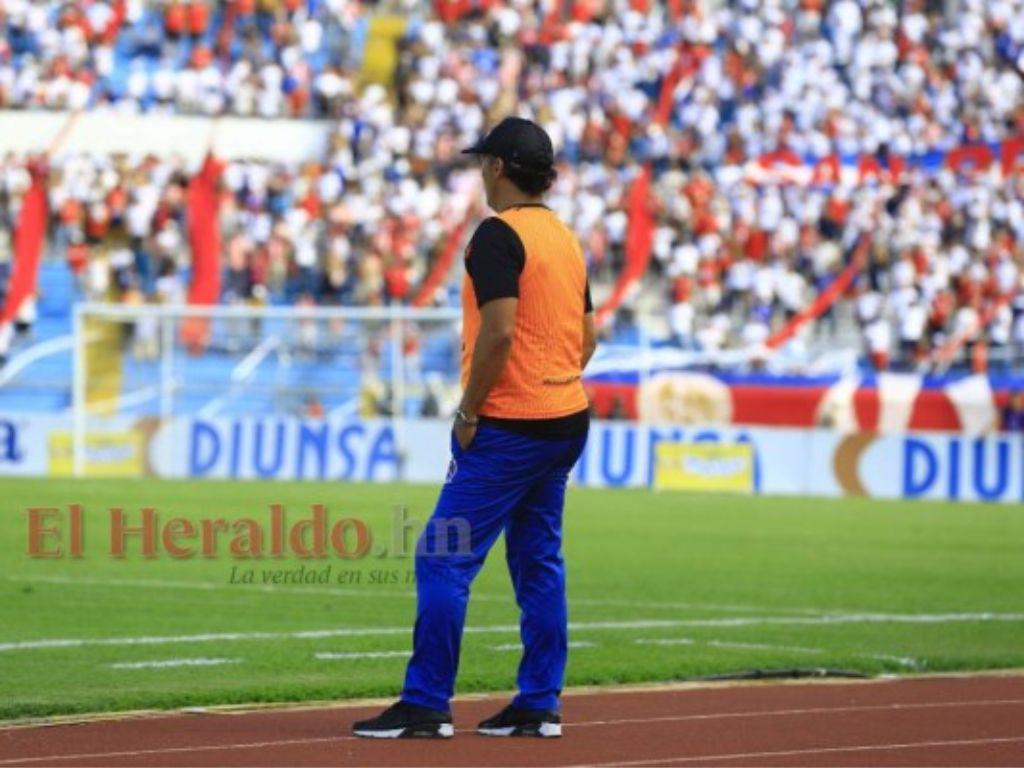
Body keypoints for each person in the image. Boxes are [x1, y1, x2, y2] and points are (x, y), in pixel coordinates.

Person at [353, 117, 597, 739]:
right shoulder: (565, 238)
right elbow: (587, 336)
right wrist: (553, 381)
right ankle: (540, 700)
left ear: (497, 168)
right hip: (565, 416)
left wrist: (469, 410)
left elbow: (500, 331)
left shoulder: (497, 235)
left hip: (511, 423)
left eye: (483, 163)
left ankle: (427, 701)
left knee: (442, 556)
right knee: (539, 559)